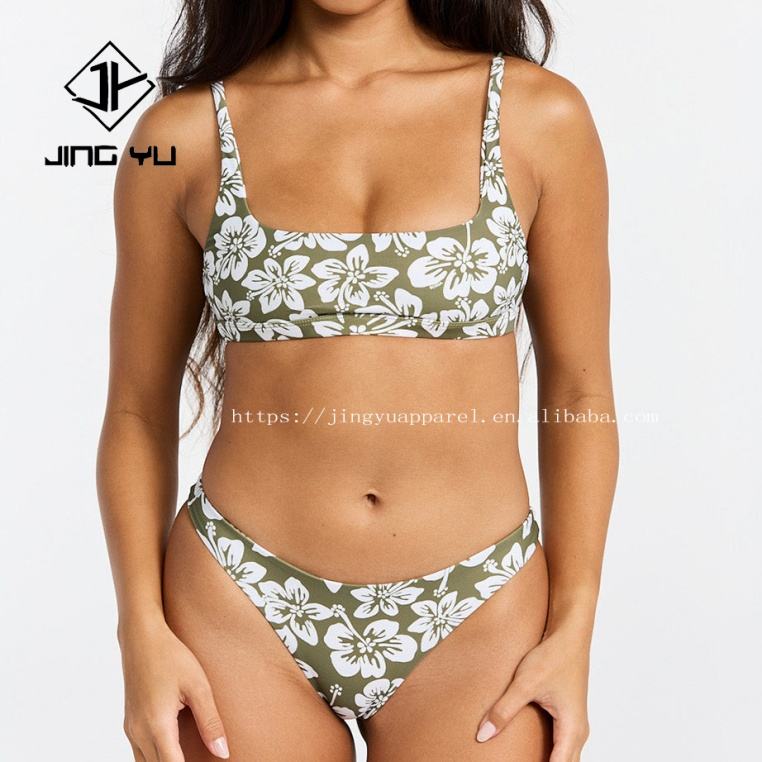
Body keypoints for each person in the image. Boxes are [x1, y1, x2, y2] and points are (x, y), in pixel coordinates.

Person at [96, 1, 617, 759]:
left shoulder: (539, 116)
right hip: (238, 607)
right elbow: (137, 410)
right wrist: (139, 629)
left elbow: (579, 394)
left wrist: (575, 626)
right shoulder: (175, 138)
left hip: (480, 608)